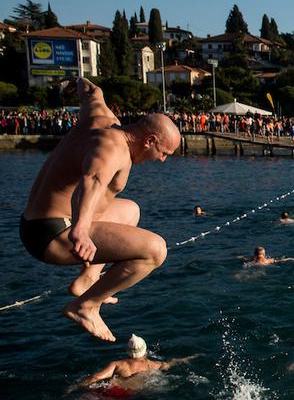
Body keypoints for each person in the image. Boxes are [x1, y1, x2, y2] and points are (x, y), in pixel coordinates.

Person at [20, 77, 180, 342]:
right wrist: (80, 231)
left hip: (40, 220)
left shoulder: (101, 116)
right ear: (149, 140)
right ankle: (86, 306)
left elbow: (92, 91)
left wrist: (76, 82)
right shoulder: (113, 149)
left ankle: (88, 278)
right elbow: (92, 181)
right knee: (155, 251)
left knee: (130, 210)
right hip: (50, 234)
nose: (162, 161)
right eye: (164, 153)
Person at [29, 334, 196, 400]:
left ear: (127, 351)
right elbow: (170, 364)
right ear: (145, 351)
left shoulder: (117, 364)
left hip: (105, 389)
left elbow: (96, 377)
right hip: (121, 395)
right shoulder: (154, 365)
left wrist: (75, 386)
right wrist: (188, 358)